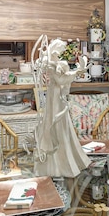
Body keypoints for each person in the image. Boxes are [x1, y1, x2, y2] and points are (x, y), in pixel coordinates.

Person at [32, 36, 91, 178]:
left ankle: (66, 156)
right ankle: (56, 161)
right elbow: (60, 79)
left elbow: (61, 77)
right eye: (60, 49)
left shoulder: (54, 61)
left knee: (61, 122)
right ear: (56, 47)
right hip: (55, 95)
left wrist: (75, 71)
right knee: (54, 120)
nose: (61, 52)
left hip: (57, 95)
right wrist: (75, 72)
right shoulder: (50, 62)